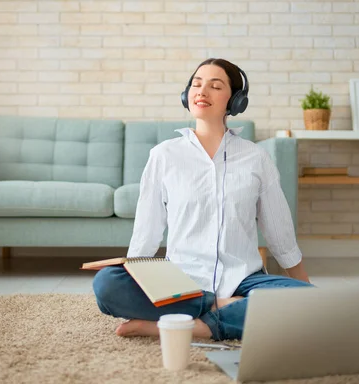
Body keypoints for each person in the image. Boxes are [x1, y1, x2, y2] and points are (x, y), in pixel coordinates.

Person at [93, 58, 312, 341]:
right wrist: (138, 277)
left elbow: (279, 232)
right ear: (186, 95)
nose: (201, 91)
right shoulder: (164, 155)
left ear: (235, 101)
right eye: (196, 84)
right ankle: (221, 309)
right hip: (178, 281)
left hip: (243, 280)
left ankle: (189, 326)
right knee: (108, 284)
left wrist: (306, 293)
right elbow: (147, 229)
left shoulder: (256, 157)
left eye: (215, 85)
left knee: (301, 298)